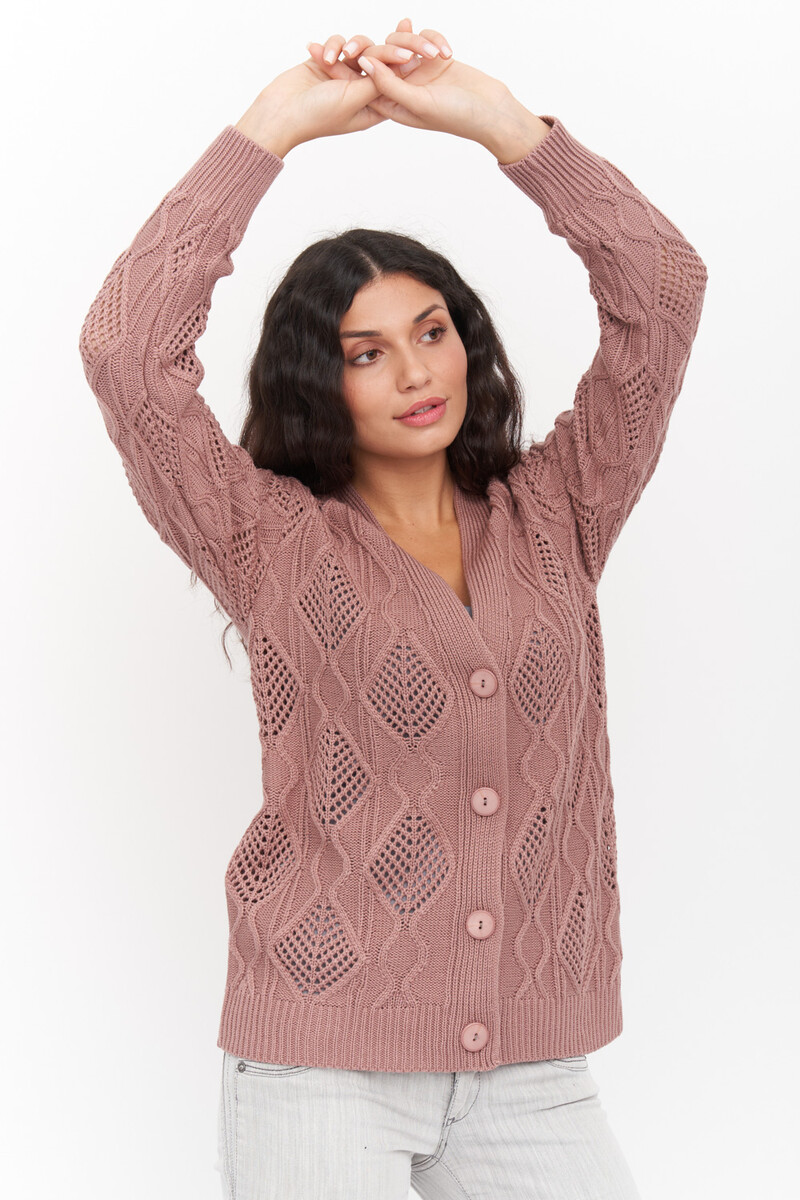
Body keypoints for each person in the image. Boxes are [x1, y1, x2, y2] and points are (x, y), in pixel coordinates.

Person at [78, 17, 708, 1200]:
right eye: (366, 353)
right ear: (318, 380)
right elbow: (125, 350)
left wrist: (501, 127)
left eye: (430, 333)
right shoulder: (268, 539)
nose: (416, 372)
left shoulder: (559, 511)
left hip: (531, 1071)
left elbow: (662, 292)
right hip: (320, 1066)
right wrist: (269, 131)